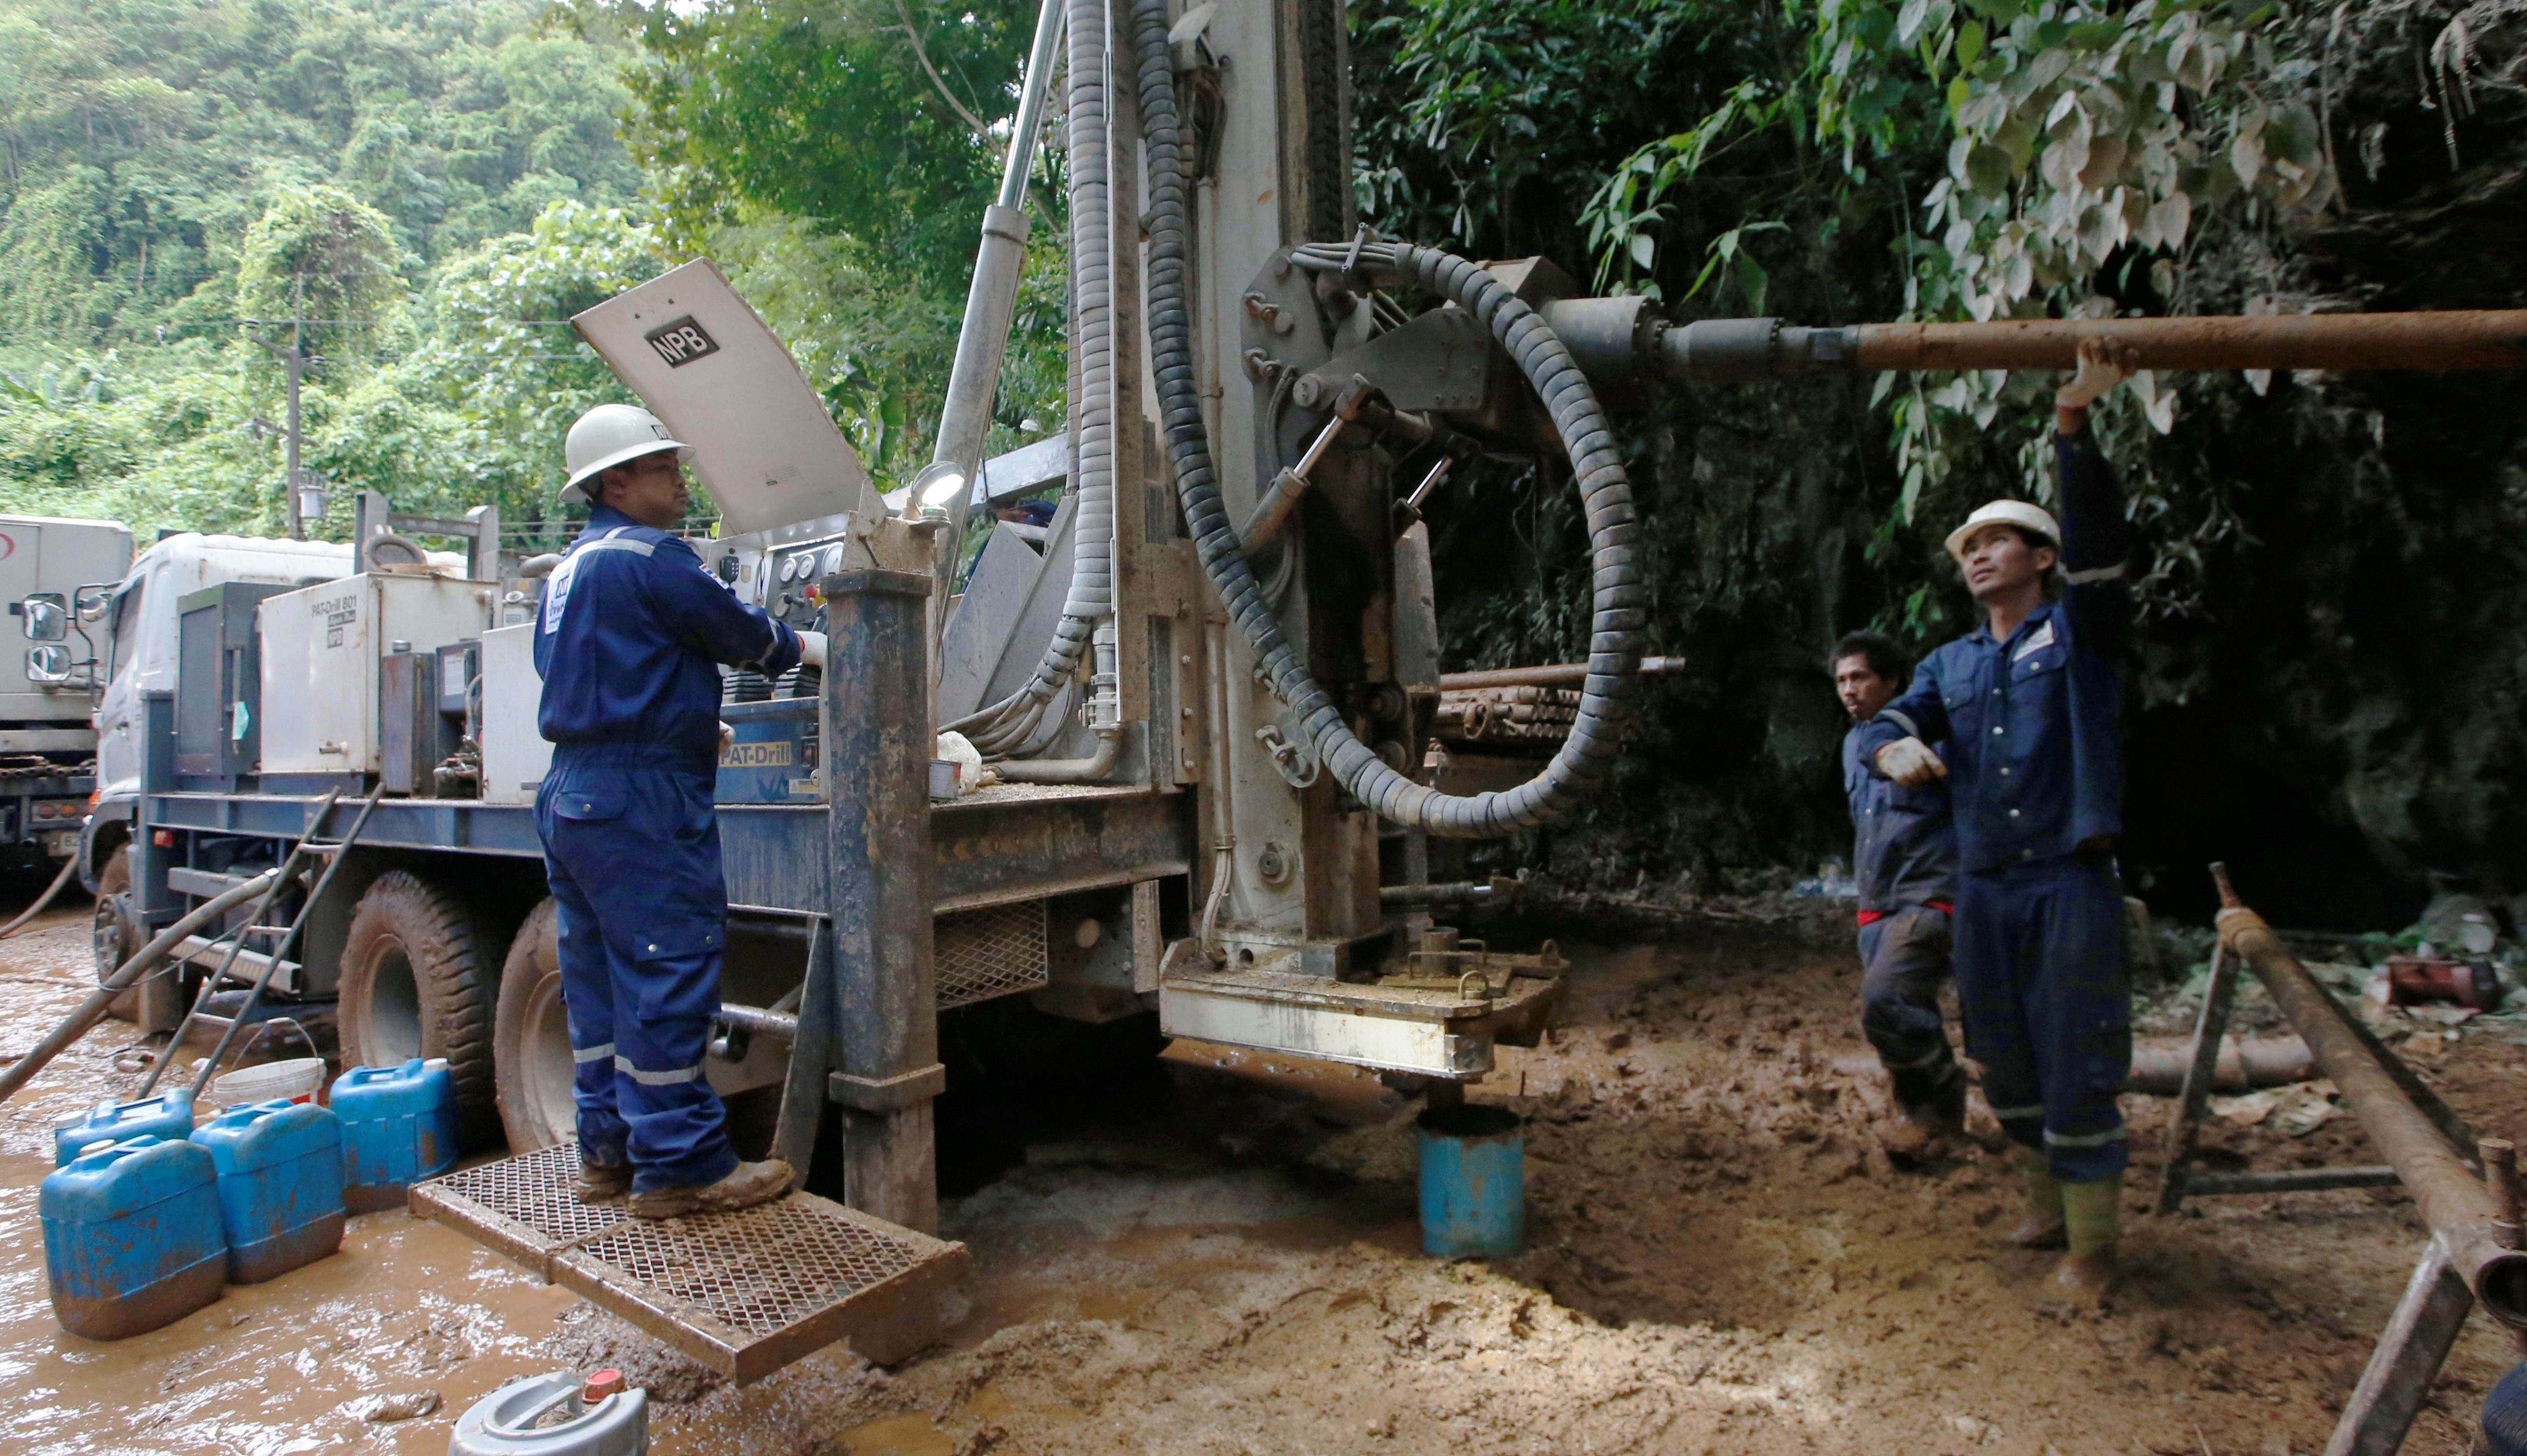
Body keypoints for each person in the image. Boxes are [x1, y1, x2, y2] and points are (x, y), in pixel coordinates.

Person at [1857, 337, 2140, 1300]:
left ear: (2040, 557)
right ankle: (2042, 1204)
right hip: (1982, 885)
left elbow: (2101, 553)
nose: (1976, 554)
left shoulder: (2078, 634)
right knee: (2003, 1049)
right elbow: (1893, 719)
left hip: (2064, 876)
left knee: (2075, 1046)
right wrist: (1891, 744)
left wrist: (2070, 426)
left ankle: (2093, 1248)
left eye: (1994, 541)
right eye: (1966, 547)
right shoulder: (1946, 663)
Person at [535, 403, 827, 1220]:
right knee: (668, 966)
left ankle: (608, 1154)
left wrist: (691, 720)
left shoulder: (567, 570)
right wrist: (814, 648)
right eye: (661, 467)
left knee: (596, 980)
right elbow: (734, 629)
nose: (678, 478)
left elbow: (591, 673)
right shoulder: (653, 557)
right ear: (615, 481)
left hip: (573, 790)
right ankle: (683, 1166)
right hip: (639, 798)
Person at [1831, 631, 1966, 1159]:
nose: (1849, 689)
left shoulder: (1940, 737)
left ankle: (1942, 1096)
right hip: (1876, 901)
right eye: (1841, 679)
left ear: (1893, 681)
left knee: (1885, 1000)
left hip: (1929, 895)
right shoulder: (1851, 745)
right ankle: (1928, 1120)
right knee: (1898, 1014)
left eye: (1860, 676)